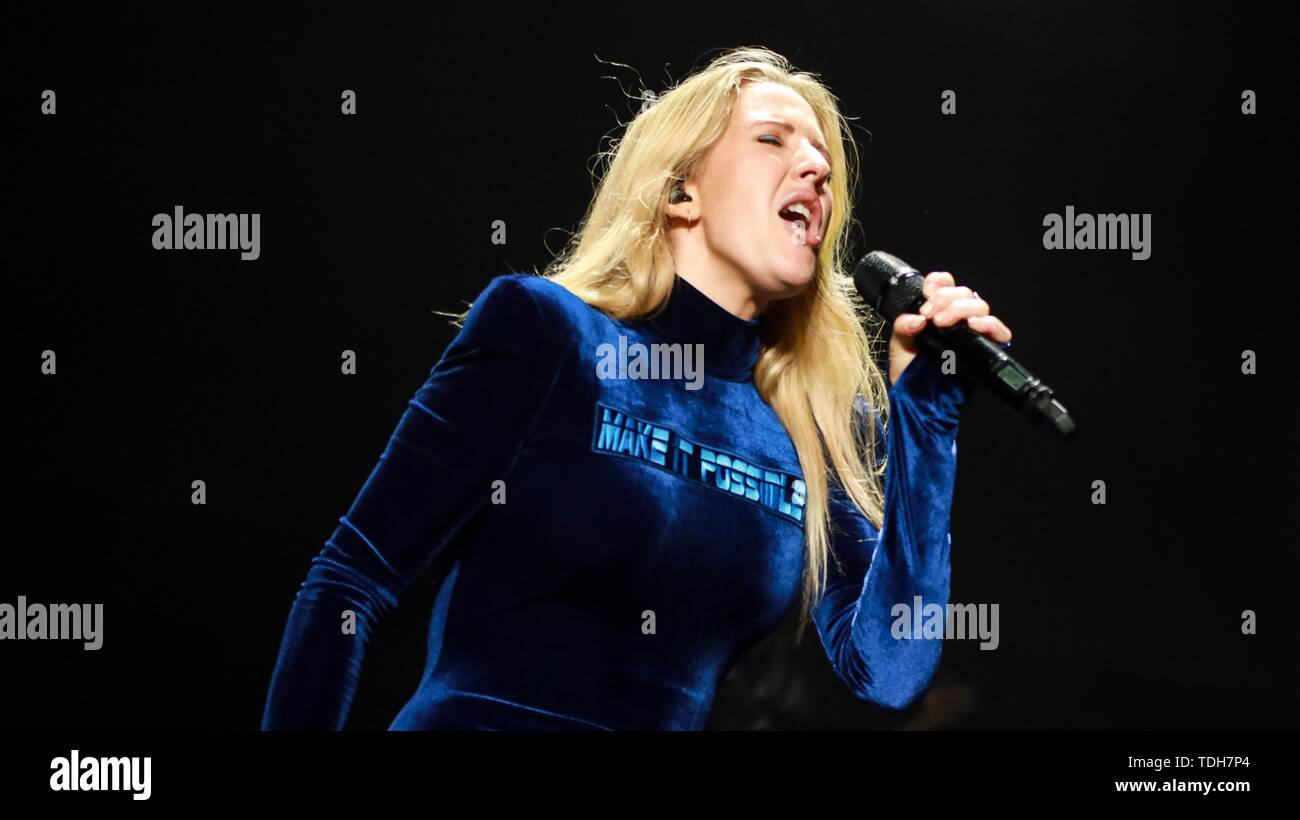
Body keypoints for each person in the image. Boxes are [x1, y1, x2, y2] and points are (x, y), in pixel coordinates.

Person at [260, 46, 1013, 731]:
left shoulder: (808, 426)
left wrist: (926, 422)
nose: (816, 169)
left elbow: (888, 674)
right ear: (681, 190)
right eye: (773, 139)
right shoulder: (547, 333)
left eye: (824, 159)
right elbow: (350, 581)